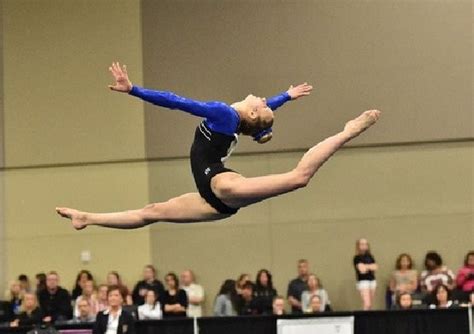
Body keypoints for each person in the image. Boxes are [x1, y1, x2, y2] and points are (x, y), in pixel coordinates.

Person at [56, 62, 381, 229]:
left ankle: (348, 131)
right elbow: (263, 110)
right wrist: (285, 97)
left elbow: (174, 102)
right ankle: (86, 217)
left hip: (222, 187)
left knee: (299, 178)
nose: (261, 97)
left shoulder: (223, 114)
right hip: (210, 199)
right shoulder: (240, 118)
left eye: (263, 103)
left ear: (253, 111)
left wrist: (134, 90)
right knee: (151, 212)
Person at [353, 238, 378, 311]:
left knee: (370, 304)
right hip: (363, 281)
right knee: (367, 303)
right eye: (362, 244)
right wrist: (369, 266)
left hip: (372, 280)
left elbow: (375, 267)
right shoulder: (357, 258)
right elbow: (361, 269)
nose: (364, 246)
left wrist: (366, 266)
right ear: (358, 246)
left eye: (366, 244)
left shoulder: (370, 256)